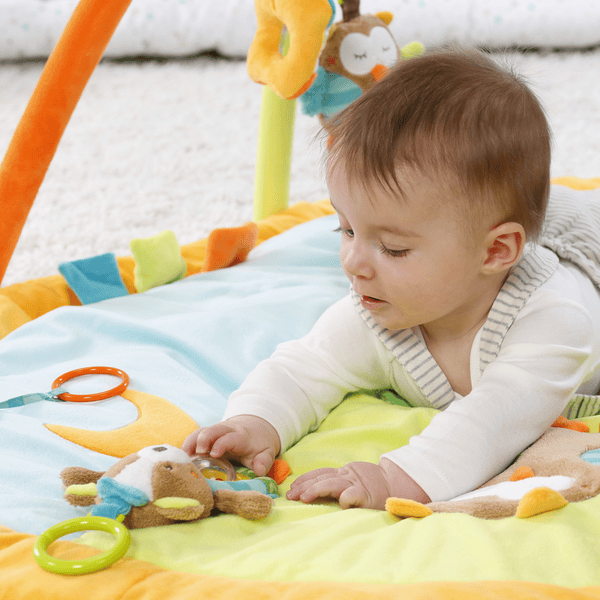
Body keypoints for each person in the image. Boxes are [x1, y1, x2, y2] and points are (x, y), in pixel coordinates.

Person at [183, 47, 600, 510]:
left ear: (495, 251)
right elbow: (305, 366)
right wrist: (255, 421)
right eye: (346, 230)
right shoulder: (377, 310)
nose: (352, 263)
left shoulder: (555, 320)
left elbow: (497, 418)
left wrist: (393, 478)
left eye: (394, 248)